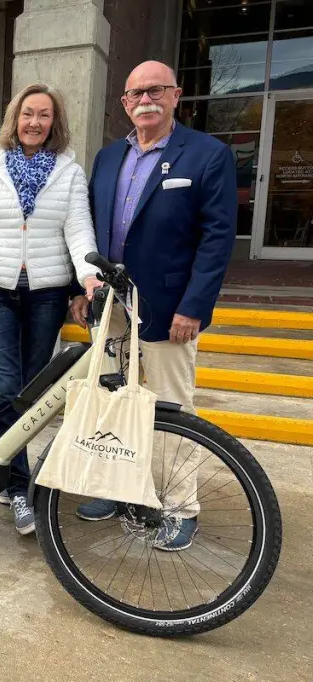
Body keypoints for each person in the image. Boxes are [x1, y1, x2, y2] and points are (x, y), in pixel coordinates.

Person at [74, 60, 238, 551]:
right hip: (111, 303)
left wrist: (195, 305)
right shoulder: (106, 158)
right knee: (110, 401)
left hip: (169, 305)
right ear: (124, 103)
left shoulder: (207, 155)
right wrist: (80, 289)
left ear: (175, 95)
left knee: (171, 406)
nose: (145, 100)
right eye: (135, 94)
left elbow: (217, 238)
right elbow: (89, 229)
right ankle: (117, 488)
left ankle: (180, 506)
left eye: (155, 91)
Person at [0, 83, 101, 536]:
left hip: (46, 293)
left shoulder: (68, 172)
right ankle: (19, 486)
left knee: (32, 392)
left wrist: (88, 276)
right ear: (14, 118)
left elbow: (78, 230)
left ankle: (9, 473)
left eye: (44, 115)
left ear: (54, 122)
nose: (34, 122)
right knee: (8, 386)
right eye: (28, 113)